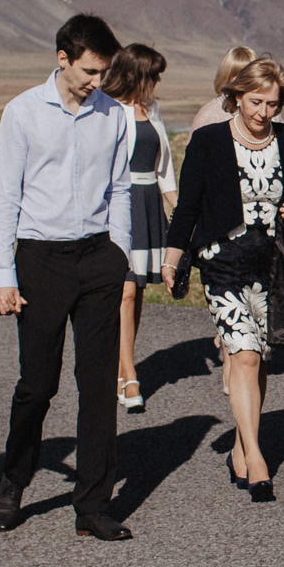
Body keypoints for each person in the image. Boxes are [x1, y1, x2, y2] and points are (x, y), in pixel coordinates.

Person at [0, 14, 136, 542]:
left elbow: (121, 188)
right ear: (63, 59)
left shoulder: (115, 115)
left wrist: (120, 253)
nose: (99, 80)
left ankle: (93, 505)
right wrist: (2, 273)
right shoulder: (22, 112)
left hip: (98, 257)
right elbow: (5, 194)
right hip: (39, 260)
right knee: (38, 382)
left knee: (97, 383)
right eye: (91, 70)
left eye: (105, 70)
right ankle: (14, 477)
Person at [164, 56, 284, 504]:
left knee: (260, 357)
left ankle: (241, 445)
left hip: (272, 265)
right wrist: (172, 261)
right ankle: (257, 456)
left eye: (272, 104)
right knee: (243, 354)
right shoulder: (209, 141)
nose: (263, 113)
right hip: (222, 262)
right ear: (235, 97)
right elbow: (187, 205)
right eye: (255, 101)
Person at [105, 44, 174, 414]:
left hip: (148, 204)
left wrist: (180, 209)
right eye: (153, 75)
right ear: (136, 73)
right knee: (126, 291)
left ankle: (120, 365)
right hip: (120, 204)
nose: (157, 83)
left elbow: (165, 169)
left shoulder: (153, 109)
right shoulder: (106, 108)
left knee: (139, 291)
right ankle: (129, 374)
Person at [189, 45, 257, 132]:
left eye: (250, 76)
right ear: (226, 76)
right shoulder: (209, 115)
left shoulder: (267, 111)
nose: (244, 82)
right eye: (239, 76)